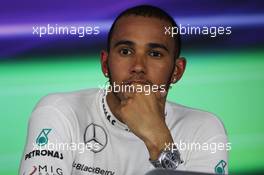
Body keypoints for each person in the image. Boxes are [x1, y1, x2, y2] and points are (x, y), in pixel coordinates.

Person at [19, 5, 229, 175]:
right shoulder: (59, 112)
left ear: (177, 71)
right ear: (105, 64)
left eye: (155, 54)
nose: (138, 65)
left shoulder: (204, 130)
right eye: (126, 51)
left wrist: (160, 143)